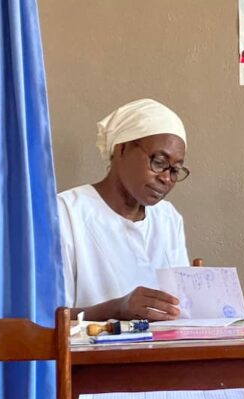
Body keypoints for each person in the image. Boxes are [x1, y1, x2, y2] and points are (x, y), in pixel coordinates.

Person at [58, 98, 191, 321]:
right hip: (89, 345)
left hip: (162, 344)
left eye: (175, 170)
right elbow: (46, 320)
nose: (166, 178)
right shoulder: (66, 214)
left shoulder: (167, 218)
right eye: (159, 162)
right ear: (122, 148)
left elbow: (180, 308)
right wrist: (116, 309)